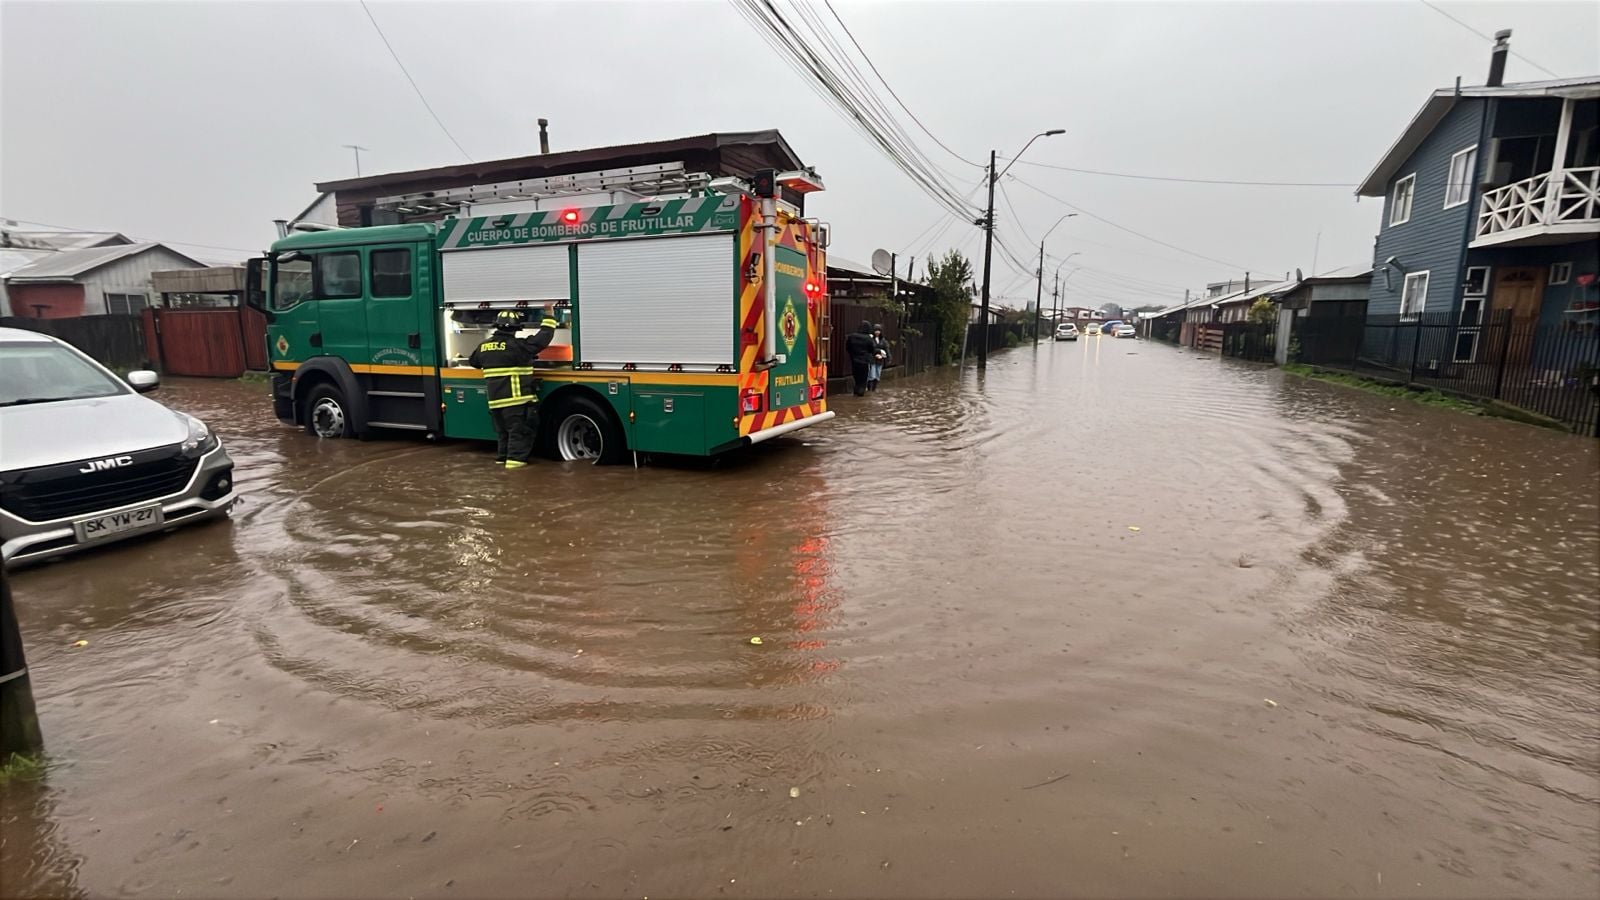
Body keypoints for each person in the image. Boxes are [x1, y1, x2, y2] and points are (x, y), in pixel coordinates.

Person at [469, 306, 558, 468]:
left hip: (495, 405)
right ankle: (516, 478)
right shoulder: (518, 346)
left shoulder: (483, 347)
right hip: (516, 403)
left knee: (504, 438)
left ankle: (502, 470)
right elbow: (543, 337)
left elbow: (473, 361)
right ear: (516, 329)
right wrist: (549, 316)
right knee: (519, 440)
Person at [845, 320, 877, 397]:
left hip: (854, 361)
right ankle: (859, 396)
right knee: (863, 381)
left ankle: (855, 394)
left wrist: (853, 355)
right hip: (864, 362)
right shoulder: (868, 338)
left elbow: (848, 348)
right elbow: (872, 349)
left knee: (856, 380)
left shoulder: (851, 336)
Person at [867, 324, 890, 392]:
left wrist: (888, 358)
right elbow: (869, 349)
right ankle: (869, 389)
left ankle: (874, 390)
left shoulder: (883, 340)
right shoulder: (870, 339)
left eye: (879, 330)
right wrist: (875, 354)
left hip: (880, 360)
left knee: (877, 376)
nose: (877, 332)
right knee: (872, 376)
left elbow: (887, 349)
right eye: (876, 330)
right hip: (872, 360)